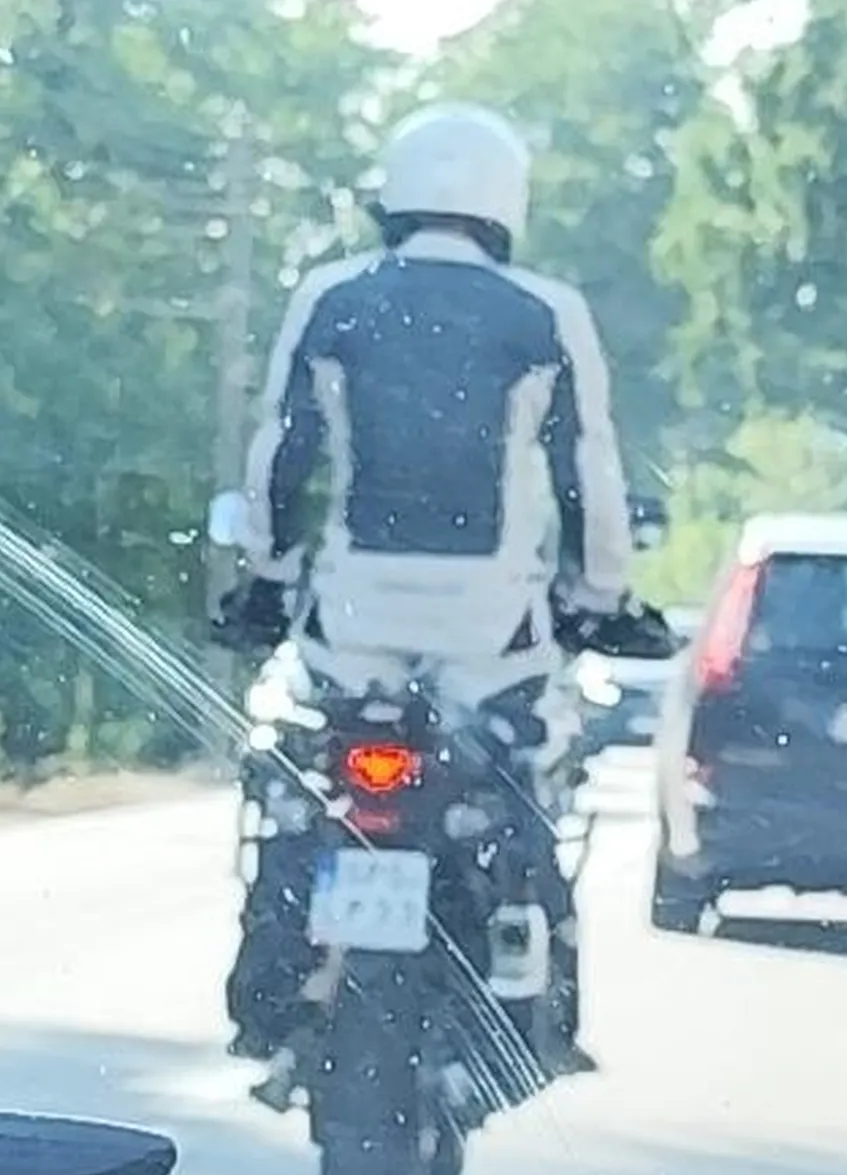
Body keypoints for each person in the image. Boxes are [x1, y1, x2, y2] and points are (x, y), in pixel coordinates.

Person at [215, 100, 652, 1079]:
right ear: (507, 204)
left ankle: (273, 988)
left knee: (296, 794)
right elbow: (588, 475)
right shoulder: (543, 313)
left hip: (351, 626)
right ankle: (538, 1008)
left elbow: (281, 458)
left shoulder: (332, 297)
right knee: (527, 807)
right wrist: (602, 594)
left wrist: (265, 573)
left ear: (392, 195)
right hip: (490, 635)